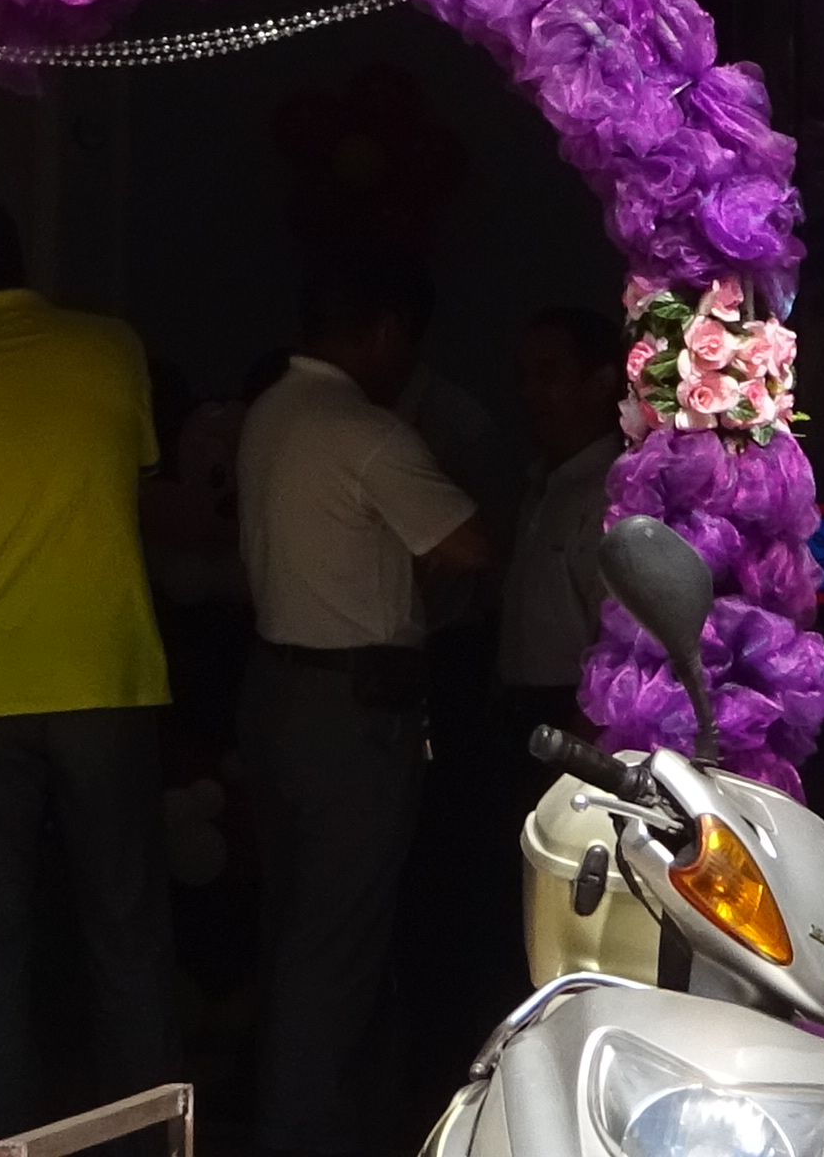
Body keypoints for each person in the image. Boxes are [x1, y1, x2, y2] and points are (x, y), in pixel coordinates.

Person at [0, 196, 181, 1157]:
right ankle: (145, 1142)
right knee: (126, 930)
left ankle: (3, 1143)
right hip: (108, 671)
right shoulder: (112, 346)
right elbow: (136, 466)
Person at [235, 246, 493, 1157]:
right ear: (386, 332)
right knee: (336, 938)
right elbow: (470, 544)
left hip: (276, 690)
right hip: (353, 706)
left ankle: (298, 1113)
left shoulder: (268, 413)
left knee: (293, 925)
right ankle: (301, 1131)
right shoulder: (367, 431)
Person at [491, 304, 619, 738]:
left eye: (549, 374)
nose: (530, 392)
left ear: (600, 382)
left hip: (572, 711)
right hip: (520, 707)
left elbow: (617, 629)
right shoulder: (541, 484)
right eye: (523, 376)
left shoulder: (615, 489)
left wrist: (585, 730)